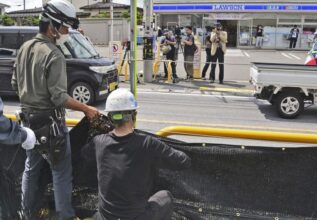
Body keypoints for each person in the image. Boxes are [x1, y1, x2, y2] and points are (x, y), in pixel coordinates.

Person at [11, 0, 99, 219]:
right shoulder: (54, 54)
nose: (67, 31)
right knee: (60, 172)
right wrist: (87, 108)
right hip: (51, 127)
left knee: (31, 169)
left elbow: (15, 83)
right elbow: (59, 97)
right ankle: (64, 216)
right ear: (52, 26)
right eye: (65, 27)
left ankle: (26, 213)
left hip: (28, 123)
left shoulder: (24, 48)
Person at [82, 88, 191, 220]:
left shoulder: (98, 142)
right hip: (137, 217)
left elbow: (84, 154)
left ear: (110, 117)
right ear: (134, 115)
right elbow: (184, 161)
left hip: (105, 217)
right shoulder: (147, 144)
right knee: (165, 196)